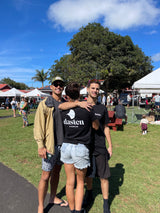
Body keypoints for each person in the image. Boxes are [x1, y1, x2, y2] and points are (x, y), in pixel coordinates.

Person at [59, 82, 99, 213]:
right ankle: (77, 210)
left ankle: (72, 210)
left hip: (66, 147)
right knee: (80, 182)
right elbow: (96, 127)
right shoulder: (87, 108)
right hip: (80, 147)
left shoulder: (64, 109)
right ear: (79, 94)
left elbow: (60, 105)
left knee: (70, 182)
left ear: (67, 96)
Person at [34, 76, 68, 213]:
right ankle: (41, 206)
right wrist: (40, 145)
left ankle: (53, 197)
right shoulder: (45, 103)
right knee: (45, 175)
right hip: (49, 146)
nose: (58, 86)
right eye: (56, 84)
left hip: (63, 145)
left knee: (57, 172)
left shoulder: (66, 103)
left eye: (61, 84)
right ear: (52, 86)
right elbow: (38, 126)